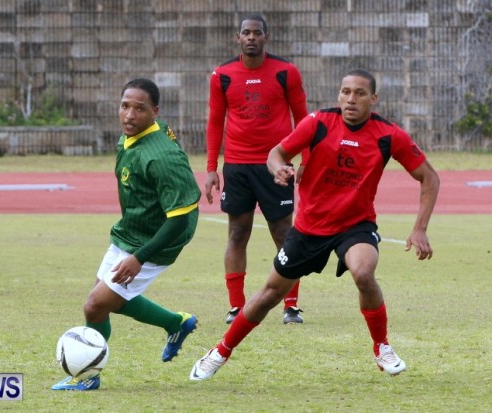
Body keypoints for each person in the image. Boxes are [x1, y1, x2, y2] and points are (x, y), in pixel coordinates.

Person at [190, 69, 440, 380]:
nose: (351, 99)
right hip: (309, 228)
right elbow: (276, 153)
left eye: (360, 93)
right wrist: (278, 168)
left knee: (364, 273)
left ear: (373, 99)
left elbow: (429, 177)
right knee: (269, 294)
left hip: (355, 226)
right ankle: (220, 351)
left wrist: (420, 228)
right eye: (346, 91)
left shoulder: (388, 135)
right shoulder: (318, 122)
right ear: (339, 95)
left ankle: (382, 346)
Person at [53, 78, 201, 391]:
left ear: (155, 112)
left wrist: (139, 258)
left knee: (95, 305)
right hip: (133, 228)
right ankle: (176, 323)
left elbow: (179, 219)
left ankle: (88, 376)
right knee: (105, 301)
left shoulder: (163, 157)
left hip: (160, 237)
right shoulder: (131, 137)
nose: (130, 115)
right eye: (125, 106)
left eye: (139, 109)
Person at [205, 14, 309, 325]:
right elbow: (214, 123)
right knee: (238, 232)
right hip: (237, 166)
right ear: (238, 38)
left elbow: (303, 119)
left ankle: (291, 305)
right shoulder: (222, 75)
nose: (251, 37)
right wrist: (211, 168)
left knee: (284, 234)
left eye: (257, 32)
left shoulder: (286, 72)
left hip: (276, 165)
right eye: (246, 33)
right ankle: (236, 307)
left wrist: (307, 159)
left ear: (266, 37)